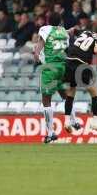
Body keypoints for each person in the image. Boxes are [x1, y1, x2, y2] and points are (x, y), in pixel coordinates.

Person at [34, 12, 75, 143]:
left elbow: (39, 46)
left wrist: (36, 57)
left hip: (50, 67)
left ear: (47, 20)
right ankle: (74, 121)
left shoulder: (45, 29)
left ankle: (50, 133)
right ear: (60, 22)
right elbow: (66, 41)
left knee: (46, 100)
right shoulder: (63, 32)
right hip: (62, 67)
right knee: (64, 95)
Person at [64, 25, 97, 136]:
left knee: (71, 90)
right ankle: (96, 121)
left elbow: (73, 30)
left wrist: (67, 31)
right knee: (94, 92)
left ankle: (67, 121)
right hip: (81, 63)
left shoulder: (85, 32)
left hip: (69, 61)